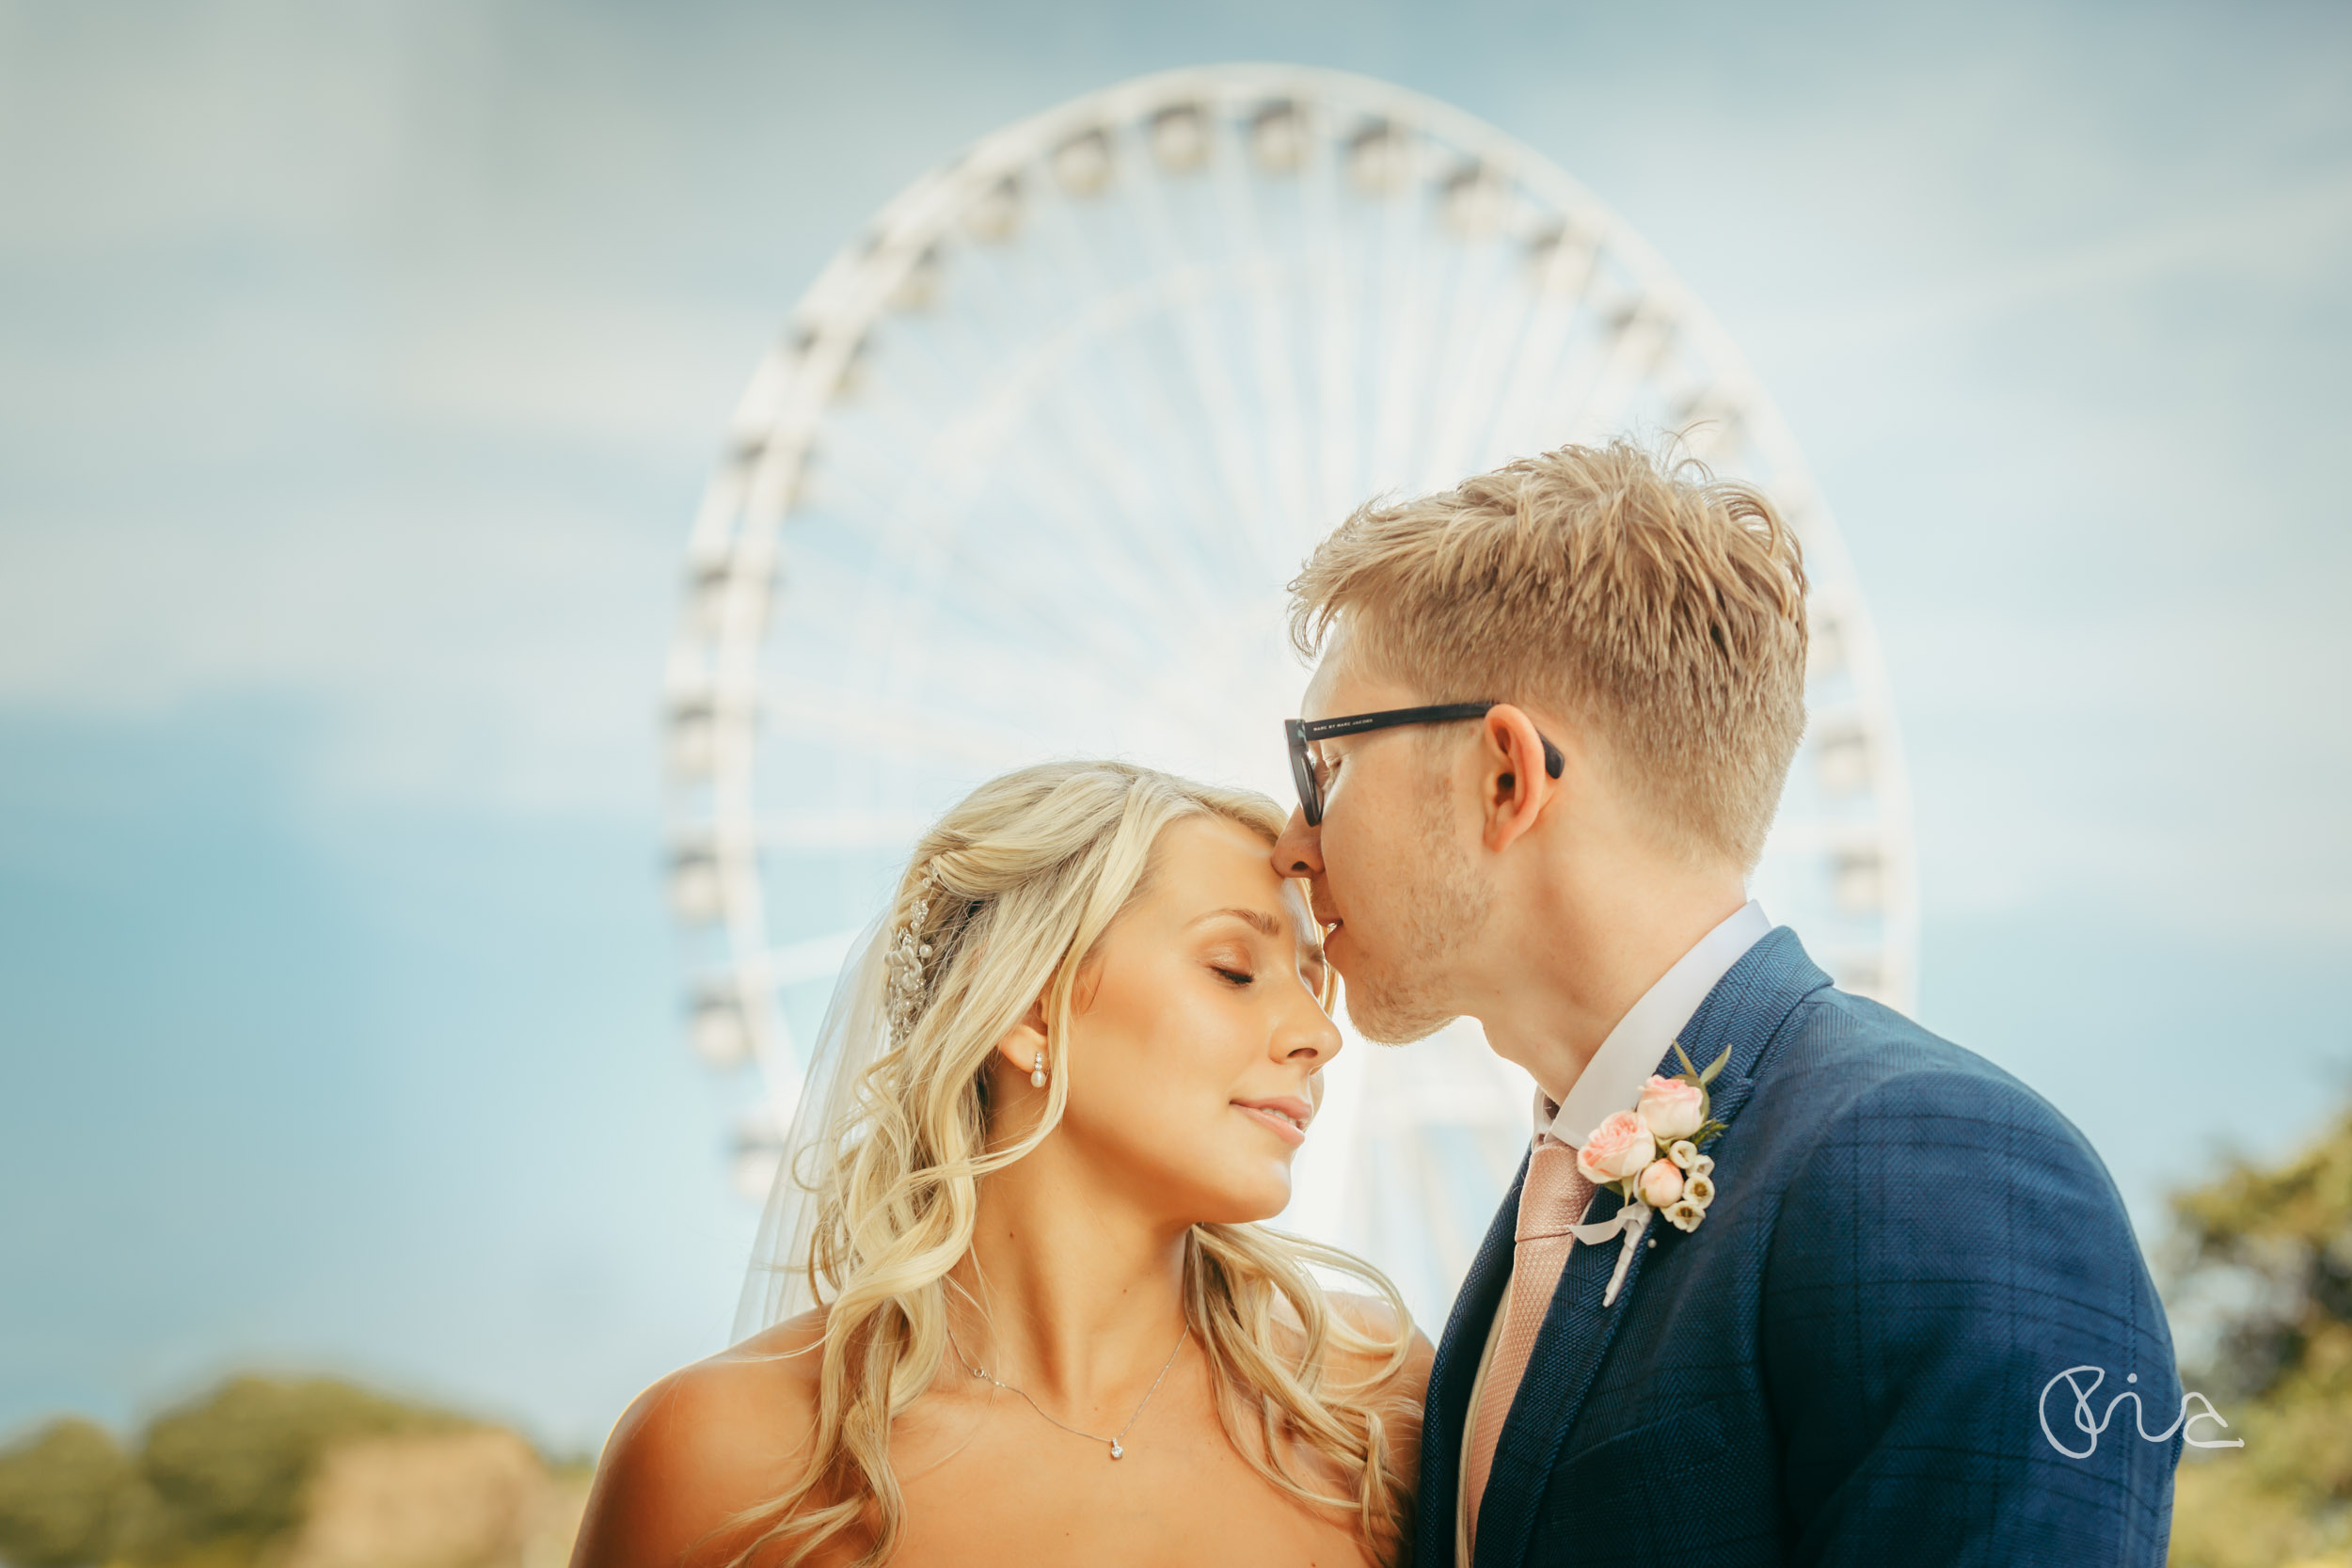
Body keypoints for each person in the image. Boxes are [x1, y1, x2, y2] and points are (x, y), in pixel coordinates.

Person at [1270, 441, 2181, 1566]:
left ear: (1505, 777)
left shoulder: (1939, 1170)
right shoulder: (1548, 1205)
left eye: (1325, 766)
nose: (1291, 841)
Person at [571, 761, 1433, 1568]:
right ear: (1031, 1012)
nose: (1322, 1036)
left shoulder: (1373, 1413)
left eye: (1311, 983)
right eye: (1233, 970)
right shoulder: (722, 1459)